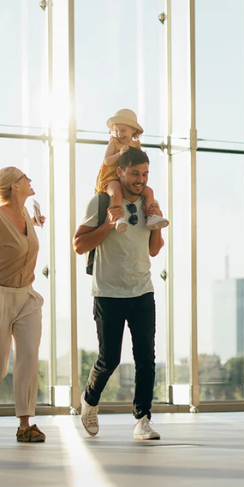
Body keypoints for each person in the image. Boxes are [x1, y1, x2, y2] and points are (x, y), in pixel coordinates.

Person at [73, 147, 164, 440]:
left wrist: (158, 222)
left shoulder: (149, 204)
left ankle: (143, 419)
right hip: (108, 293)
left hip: (142, 291)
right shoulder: (101, 202)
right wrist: (108, 226)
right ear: (121, 172)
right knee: (109, 359)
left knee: (145, 359)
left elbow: (153, 249)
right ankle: (89, 400)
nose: (140, 179)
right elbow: (79, 244)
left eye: (145, 174)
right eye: (135, 173)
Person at [0, 166, 46, 443]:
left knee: (28, 356)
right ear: (14, 186)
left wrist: (35, 221)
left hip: (26, 296)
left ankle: (25, 424)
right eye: (24, 177)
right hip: (1, 294)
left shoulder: (28, 216)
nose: (30, 179)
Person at [95, 108, 169, 233]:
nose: (119, 134)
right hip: (112, 177)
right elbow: (107, 161)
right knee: (116, 193)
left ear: (133, 130)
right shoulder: (114, 143)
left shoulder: (136, 145)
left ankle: (152, 215)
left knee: (149, 192)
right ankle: (118, 217)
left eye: (123, 130)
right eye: (116, 131)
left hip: (128, 179)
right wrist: (119, 154)